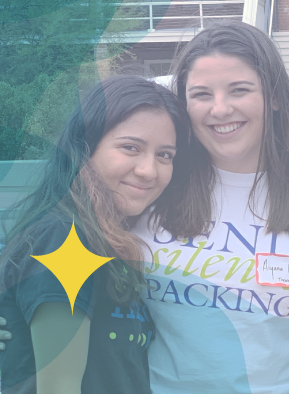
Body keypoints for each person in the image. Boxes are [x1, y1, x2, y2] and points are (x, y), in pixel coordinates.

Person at [129, 22, 289, 394]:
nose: (220, 109)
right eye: (200, 94)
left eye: (239, 90)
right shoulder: (159, 176)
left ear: (274, 96)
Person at [0, 75, 191, 394]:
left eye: (165, 155)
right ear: (85, 147)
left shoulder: (108, 241)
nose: (149, 170)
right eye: (131, 147)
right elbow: (59, 387)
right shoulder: (66, 240)